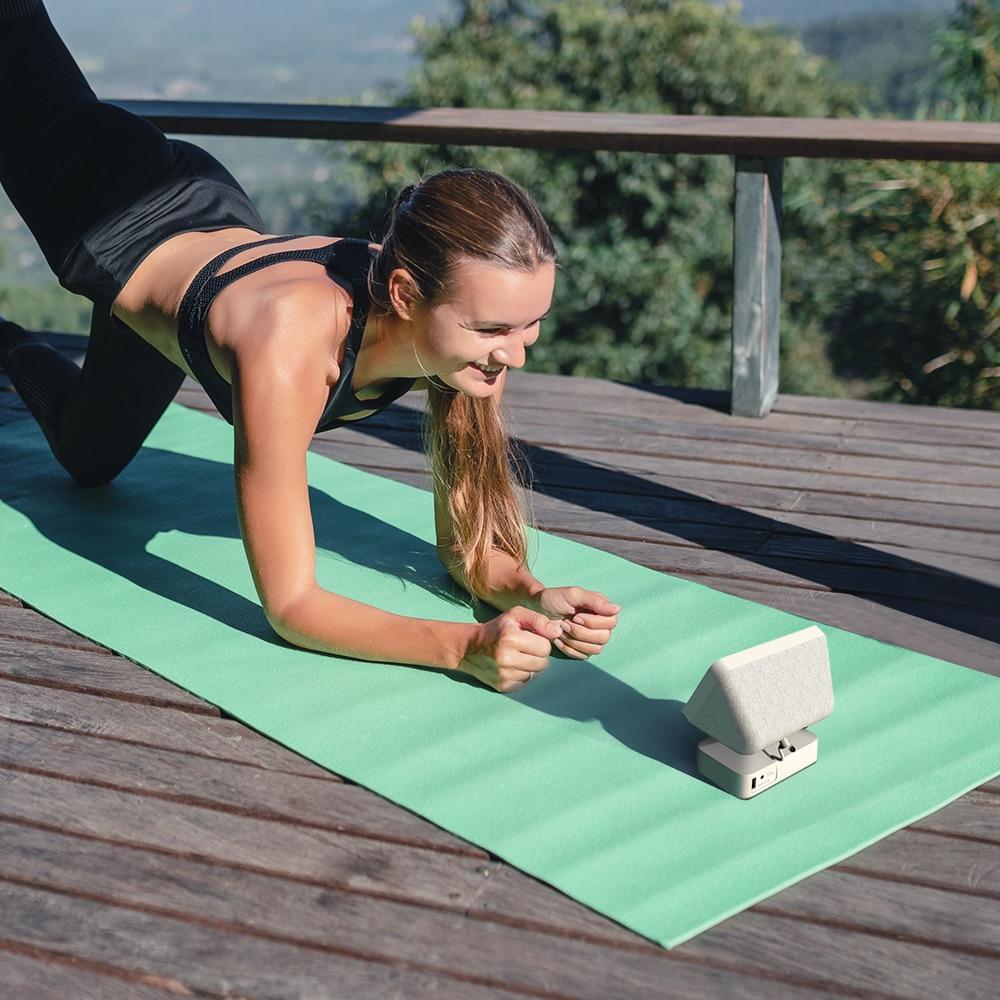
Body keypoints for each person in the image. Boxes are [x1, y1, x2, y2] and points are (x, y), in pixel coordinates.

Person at [0, 0, 621, 692]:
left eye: (532, 325)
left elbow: (470, 552)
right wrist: (463, 646)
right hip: (95, 197)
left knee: (89, 460)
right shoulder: (290, 347)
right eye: (496, 331)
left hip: (205, 224)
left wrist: (534, 597)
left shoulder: (468, 340)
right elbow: (292, 606)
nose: (516, 354)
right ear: (407, 297)